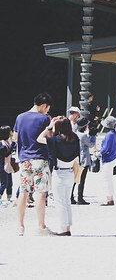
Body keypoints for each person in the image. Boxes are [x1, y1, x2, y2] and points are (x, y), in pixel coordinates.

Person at [13, 92, 53, 236]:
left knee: (23, 192)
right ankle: (41, 226)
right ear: (43, 106)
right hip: (40, 158)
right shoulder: (44, 118)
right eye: (47, 108)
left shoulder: (20, 117)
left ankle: (20, 226)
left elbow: (15, 137)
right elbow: (48, 138)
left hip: (25, 159)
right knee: (41, 193)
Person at [40, 115, 79, 236]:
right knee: (66, 201)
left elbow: (39, 138)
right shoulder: (75, 138)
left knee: (60, 202)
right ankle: (67, 227)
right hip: (70, 172)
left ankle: (63, 228)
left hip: (60, 172)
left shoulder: (55, 140)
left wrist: (50, 126)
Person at [97, 116, 116, 206]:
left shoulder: (109, 135)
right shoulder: (113, 134)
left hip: (108, 159)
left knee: (106, 180)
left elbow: (105, 148)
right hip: (112, 158)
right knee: (108, 179)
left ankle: (109, 199)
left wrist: (98, 153)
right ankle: (110, 198)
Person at [73, 117, 93, 205]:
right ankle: (80, 198)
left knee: (75, 179)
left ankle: (71, 197)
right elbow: (91, 145)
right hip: (84, 159)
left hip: (76, 159)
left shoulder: (75, 133)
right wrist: (93, 136)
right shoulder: (83, 135)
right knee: (82, 180)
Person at [1, 125, 15, 206]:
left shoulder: (7, 142)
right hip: (2, 166)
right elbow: (5, 154)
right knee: (4, 183)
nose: (11, 132)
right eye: (10, 131)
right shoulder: (1, 143)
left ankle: (9, 199)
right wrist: (12, 145)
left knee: (10, 183)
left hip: (8, 165)